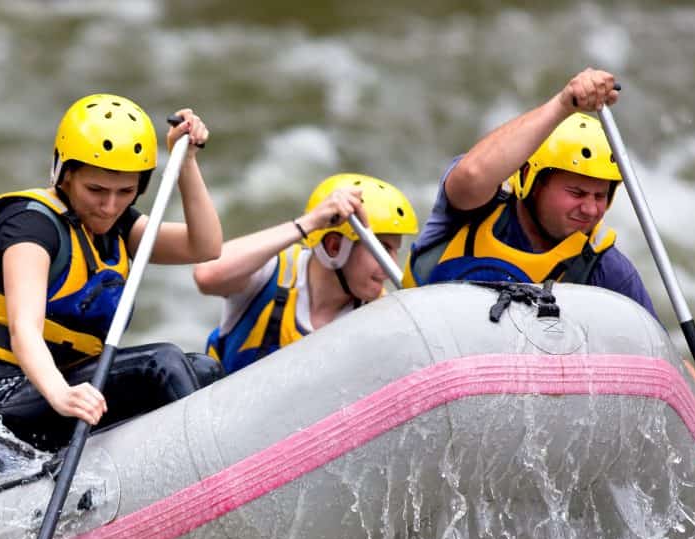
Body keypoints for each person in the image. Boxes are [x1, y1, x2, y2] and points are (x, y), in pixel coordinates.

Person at [0, 93, 224, 452]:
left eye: (125, 191)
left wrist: (185, 162)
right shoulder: (29, 228)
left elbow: (204, 246)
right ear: (65, 174)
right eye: (96, 190)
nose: (109, 206)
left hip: (64, 388)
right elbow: (24, 330)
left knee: (202, 368)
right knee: (162, 364)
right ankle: (206, 470)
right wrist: (61, 395)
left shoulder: (117, 227)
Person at [404, 67, 656, 317]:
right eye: (576, 193)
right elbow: (472, 175)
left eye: (600, 196)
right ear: (528, 179)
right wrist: (563, 105)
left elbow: (656, 352)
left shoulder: (607, 271)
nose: (590, 209)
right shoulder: (473, 211)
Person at [195, 173, 418, 374]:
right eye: (383, 248)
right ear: (334, 247)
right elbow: (207, 275)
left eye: (394, 250)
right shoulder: (272, 273)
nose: (391, 267)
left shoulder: (380, 314)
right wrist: (310, 223)